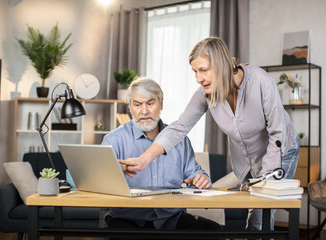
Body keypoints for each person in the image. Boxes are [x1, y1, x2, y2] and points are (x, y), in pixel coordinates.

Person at [118, 37, 300, 231]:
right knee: (256, 214)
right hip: (248, 160)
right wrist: (145, 159)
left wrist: (266, 180)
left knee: (260, 214)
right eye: (195, 72)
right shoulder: (205, 94)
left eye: (203, 70)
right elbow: (180, 127)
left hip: (280, 152)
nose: (198, 78)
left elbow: (278, 132)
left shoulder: (260, 81)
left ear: (221, 64)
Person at [101, 77, 222, 236]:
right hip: (128, 219)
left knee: (212, 232)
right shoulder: (114, 140)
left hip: (172, 219)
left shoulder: (180, 140)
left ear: (161, 103)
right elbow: (100, 185)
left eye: (150, 104)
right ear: (130, 107)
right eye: (137, 105)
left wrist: (200, 179)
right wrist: (116, 173)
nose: (144, 111)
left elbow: (197, 175)